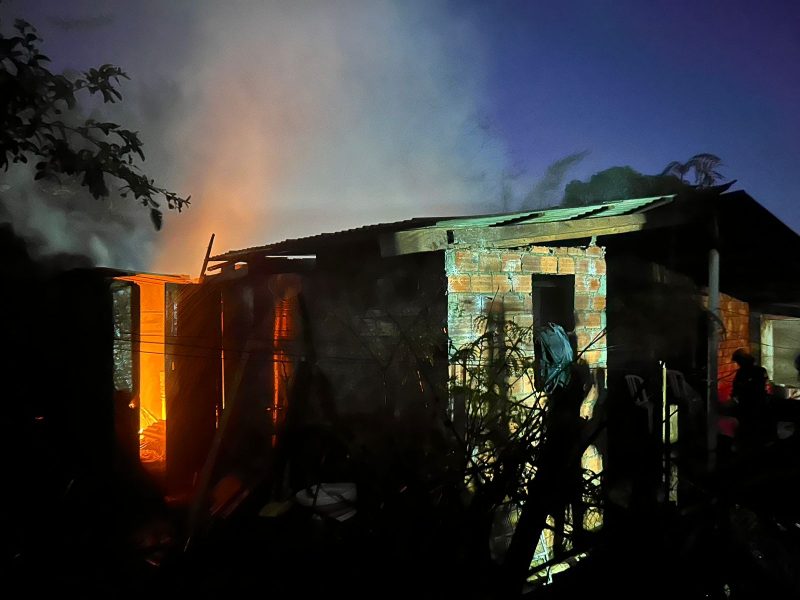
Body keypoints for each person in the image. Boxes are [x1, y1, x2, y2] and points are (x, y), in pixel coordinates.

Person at [730, 348, 770, 451]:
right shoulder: (759, 370)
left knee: (750, 428)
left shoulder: (750, 372)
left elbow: (740, 389)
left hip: (751, 404)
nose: (738, 364)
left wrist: (736, 395)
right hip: (754, 404)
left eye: (738, 362)